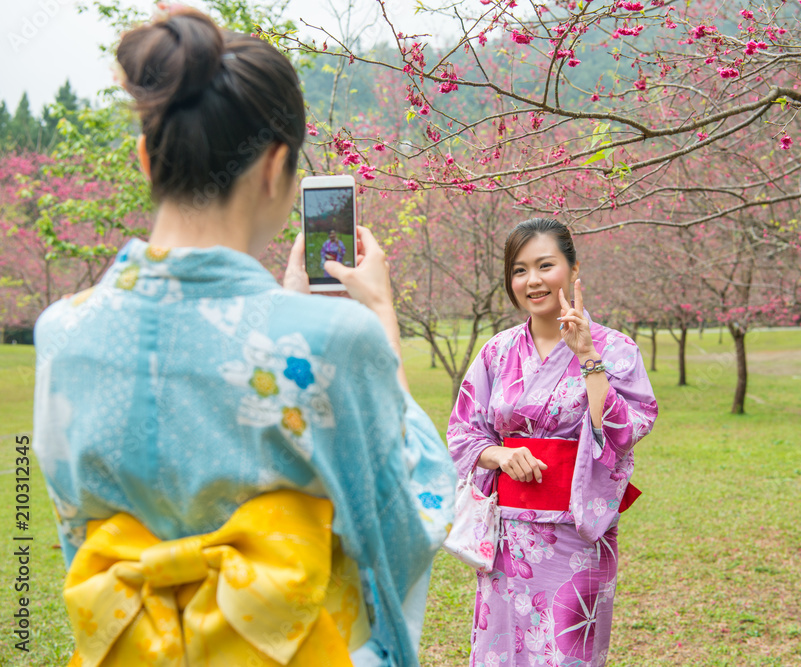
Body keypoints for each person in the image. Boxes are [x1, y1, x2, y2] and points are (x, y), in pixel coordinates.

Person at [31, 8, 455, 666]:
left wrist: (285, 308)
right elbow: (406, 524)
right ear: (276, 165)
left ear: (145, 156)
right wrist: (380, 319)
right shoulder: (337, 340)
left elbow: (77, 535)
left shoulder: (63, 334)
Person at [447, 218, 658, 666]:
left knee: (566, 654)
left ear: (573, 269)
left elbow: (625, 430)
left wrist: (587, 356)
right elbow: (463, 432)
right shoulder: (497, 352)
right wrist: (500, 453)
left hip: (578, 534)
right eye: (520, 270)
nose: (533, 280)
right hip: (508, 540)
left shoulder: (615, 349)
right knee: (503, 653)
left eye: (546, 265)